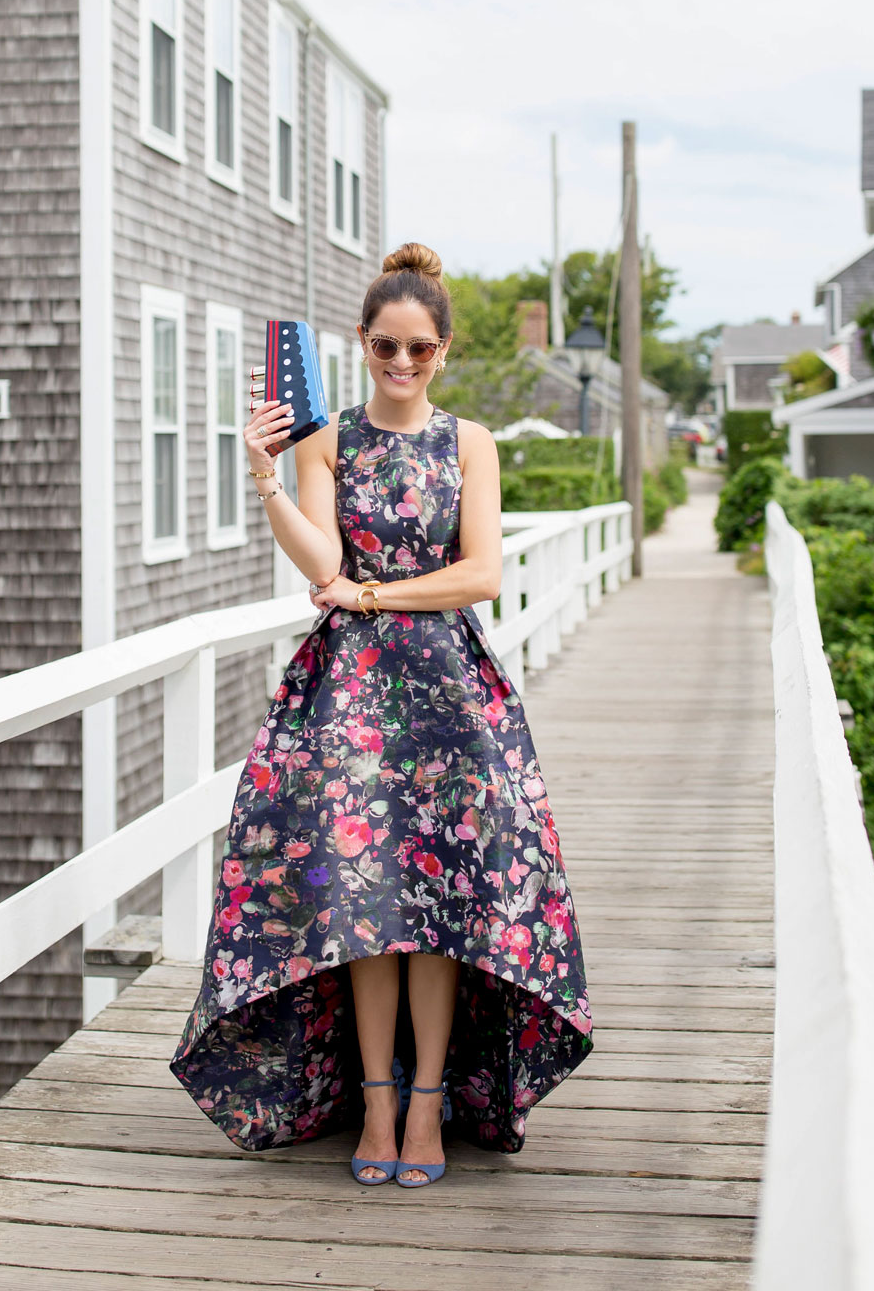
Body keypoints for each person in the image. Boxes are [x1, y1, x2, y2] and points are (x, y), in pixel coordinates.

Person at [170, 242, 592, 1189]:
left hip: (447, 693)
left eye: (420, 350)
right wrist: (267, 478)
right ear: (360, 344)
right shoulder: (327, 443)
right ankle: (375, 1103)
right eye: (385, 348)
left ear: (444, 350)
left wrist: (369, 597)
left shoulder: (469, 442)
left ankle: (431, 1103)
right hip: (350, 697)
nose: (402, 365)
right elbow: (321, 566)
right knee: (362, 906)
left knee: (444, 908)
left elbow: (481, 573)